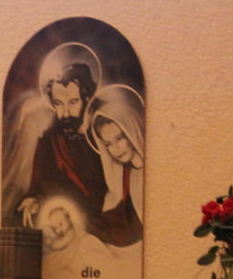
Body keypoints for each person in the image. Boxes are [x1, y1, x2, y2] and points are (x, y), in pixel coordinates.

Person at [16, 61, 107, 233]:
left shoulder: (105, 132)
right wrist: (34, 198)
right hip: (67, 222)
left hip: (104, 220)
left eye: (73, 102)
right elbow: (40, 183)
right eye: (58, 103)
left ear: (87, 98)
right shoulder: (50, 140)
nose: (64, 113)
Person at [86, 84, 145, 247]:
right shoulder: (126, 172)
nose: (115, 149)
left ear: (131, 131)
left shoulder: (152, 172)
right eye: (108, 144)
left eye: (119, 138)